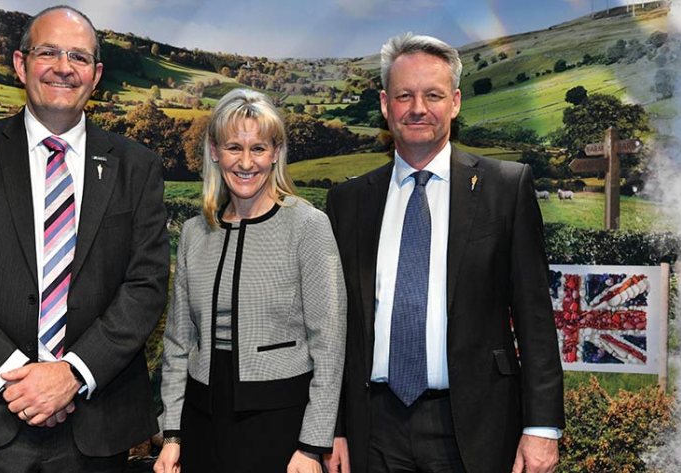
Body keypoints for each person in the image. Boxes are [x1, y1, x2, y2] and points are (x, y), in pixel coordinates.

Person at [0, 6, 169, 471]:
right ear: (21, 64)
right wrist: (14, 377)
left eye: (79, 57)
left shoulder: (137, 167)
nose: (64, 67)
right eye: (48, 52)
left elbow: (145, 285)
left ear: (96, 74)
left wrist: (72, 373)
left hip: (94, 422)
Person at [324, 33, 564, 473]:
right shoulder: (349, 202)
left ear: (454, 102)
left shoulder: (505, 188)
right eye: (404, 95)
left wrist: (543, 428)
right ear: (384, 104)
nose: (418, 108)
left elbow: (535, 319)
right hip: (373, 429)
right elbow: (336, 330)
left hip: (474, 425)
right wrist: (333, 427)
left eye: (432, 95)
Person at [153, 88, 346, 473]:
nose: (245, 162)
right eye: (233, 148)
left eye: (258, 148)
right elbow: (177, 342)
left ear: (276, 152)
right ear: (214, 151)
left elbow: (329, 343)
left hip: (281, 426)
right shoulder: (194, 232)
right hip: (202, 421)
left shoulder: (308, 225)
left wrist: (311, 446)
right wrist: (172, 433)